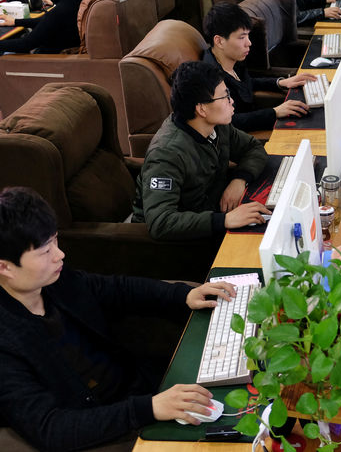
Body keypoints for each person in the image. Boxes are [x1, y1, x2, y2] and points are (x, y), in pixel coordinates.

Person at [0, 186, 239, 451]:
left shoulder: (55, 280)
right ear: (4, 267)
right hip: (103, 433)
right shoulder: (6, 341)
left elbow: (116, 289)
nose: (60, 254)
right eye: (45, 251)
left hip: (140, 391)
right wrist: (149, 409)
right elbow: (51, 429)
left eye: (55, 240)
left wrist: (183, 295)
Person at [132, 61, 271, 240]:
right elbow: (161, 222)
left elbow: (253, 148)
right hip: (177, 243)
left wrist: (239, 180)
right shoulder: (166, 154)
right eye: (225, 96)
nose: (232, 101)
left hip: (210, 214)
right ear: (202, 109)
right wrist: (224, 220)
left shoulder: (216, 126)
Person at [202, 2, 314, 132]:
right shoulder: (211, 78)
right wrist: (274, 112)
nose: (248, 43)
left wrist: (281, 82)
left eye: (248, 36)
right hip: (243, 137)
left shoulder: (231, 59)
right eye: (241, 37)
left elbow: (248, 83)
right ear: (219, 41)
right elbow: (229, 122)